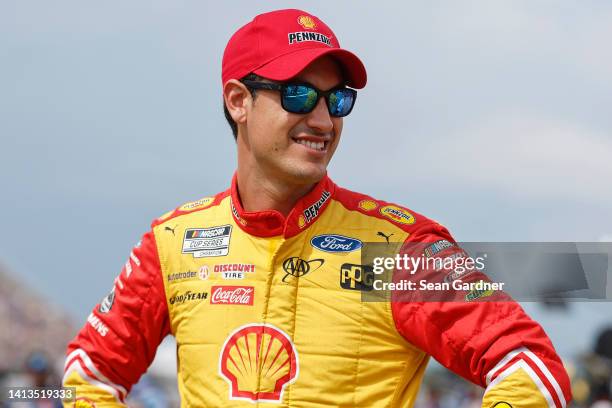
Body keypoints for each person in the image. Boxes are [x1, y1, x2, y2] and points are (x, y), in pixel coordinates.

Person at [63, 8, 572, 407]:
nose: (324, 120)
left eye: (338, 100)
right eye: (300, 94)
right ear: (238, 101)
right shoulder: (173, 242)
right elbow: (87, 374)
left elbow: (530, 364)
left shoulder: (396, 250)